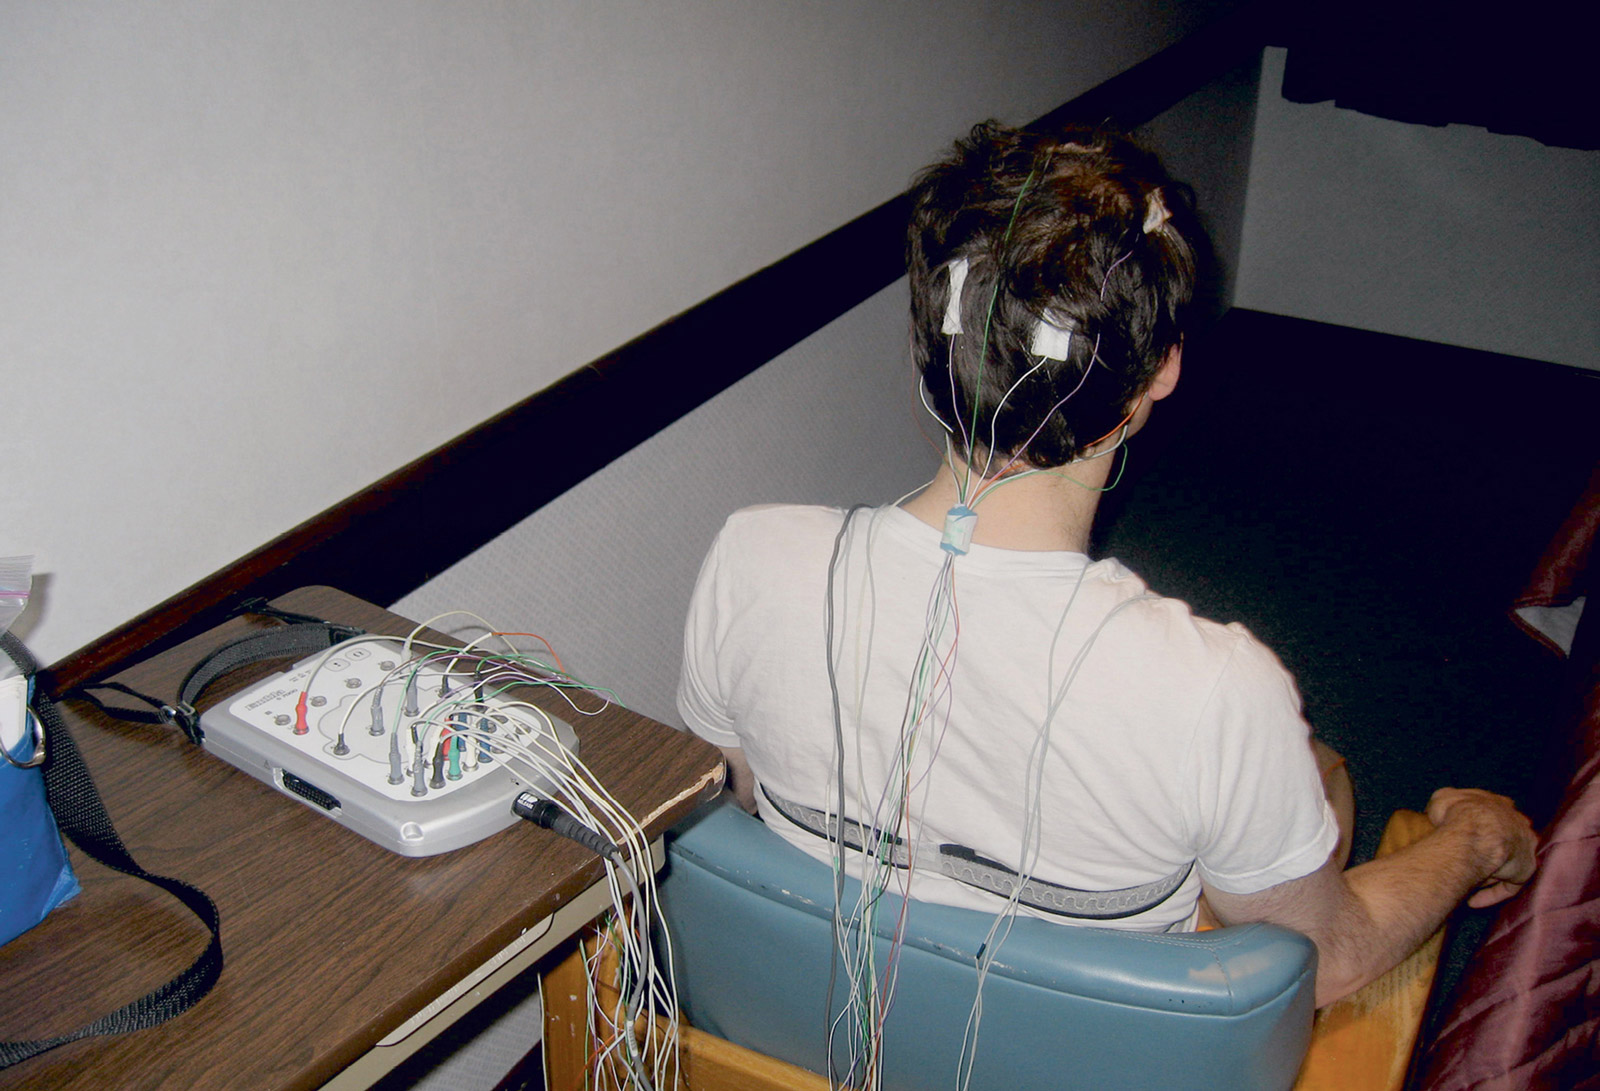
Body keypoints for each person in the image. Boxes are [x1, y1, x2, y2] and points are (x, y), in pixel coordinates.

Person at [676, 121, 1536, 1008]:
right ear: (1159, 374)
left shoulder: (750, 556)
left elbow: (738, 810)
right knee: (1322, 779)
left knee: (1301, 776)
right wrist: (1476, 838)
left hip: (807, 1026)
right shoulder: (1216, 690)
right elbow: (1330, 959)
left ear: (925, 353)